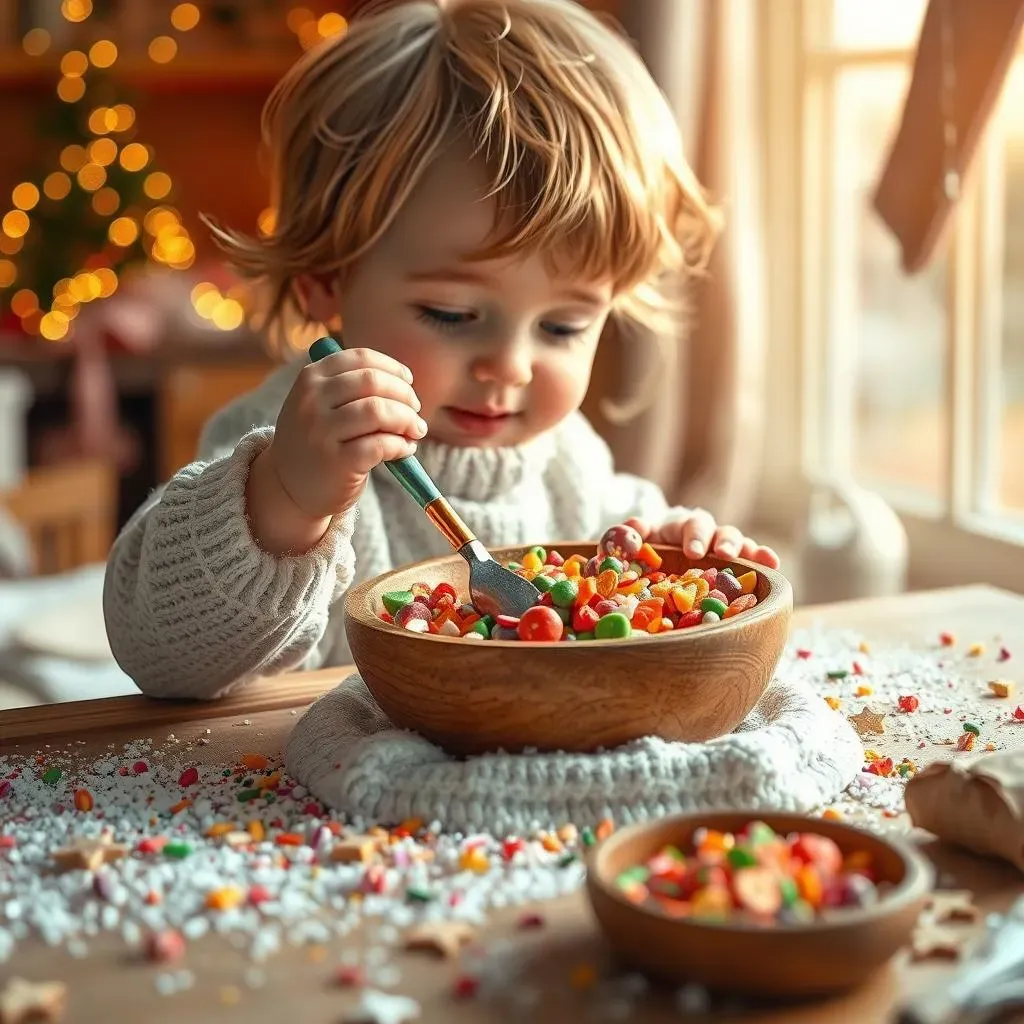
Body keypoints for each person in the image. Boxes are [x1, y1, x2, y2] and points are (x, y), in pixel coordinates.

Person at [103, 0, 779, 701]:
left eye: (563, 328)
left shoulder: (567, 458)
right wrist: (284, 503)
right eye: (451, 314)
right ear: (327, 285)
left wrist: (666, 555)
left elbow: (603, 582)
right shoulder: (282, 445)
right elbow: (155, 652)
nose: (511, 367)